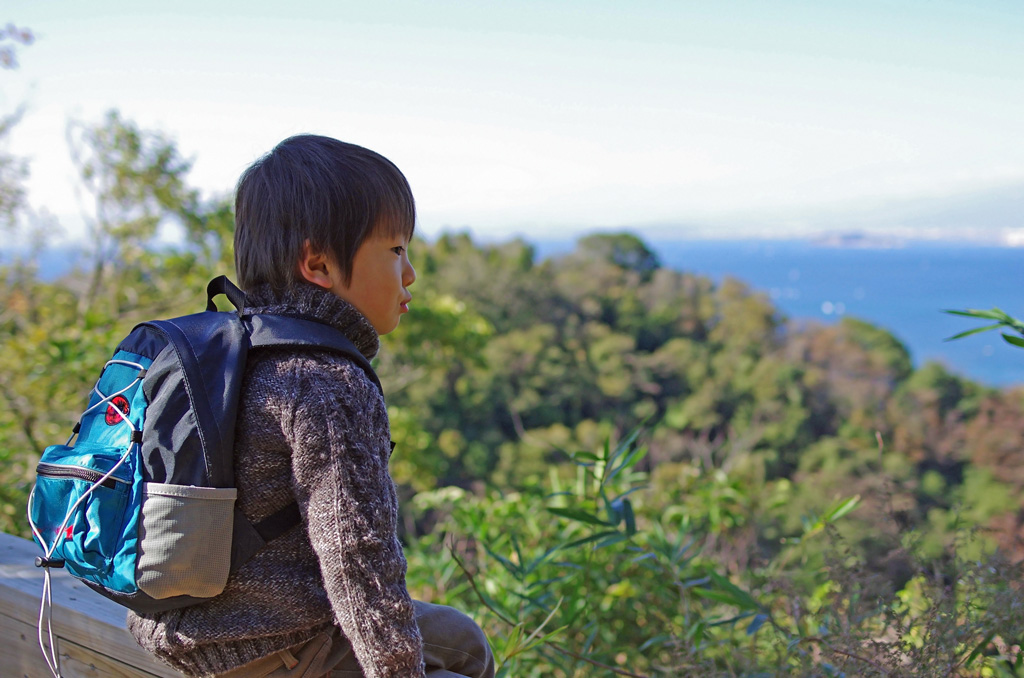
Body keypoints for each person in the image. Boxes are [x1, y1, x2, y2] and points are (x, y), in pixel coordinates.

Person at [127, 134, 495, 678]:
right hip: (268, 647)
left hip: (175, 627)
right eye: (396, 250)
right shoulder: (326, 382)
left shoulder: (233, 352)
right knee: (464, 659)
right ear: (318, 263)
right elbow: (358, 560)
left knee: (462, 638)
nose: (410, 273)